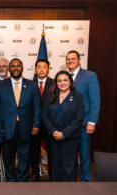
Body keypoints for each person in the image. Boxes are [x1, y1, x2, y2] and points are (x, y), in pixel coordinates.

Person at [0, 58, 41, 182]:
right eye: (13, 66)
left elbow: (37, 106)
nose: (15, 68)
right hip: (7, 127)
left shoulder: (32, 85)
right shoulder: (0, 86)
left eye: (18, 66)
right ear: (9, 69)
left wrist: (36, 124)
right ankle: (10, 178)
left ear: (22, 68)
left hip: (26, 126)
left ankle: (22, 179)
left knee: (24, 155)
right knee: (8, 155)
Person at [42, 70, 85, 181]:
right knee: (55, 166)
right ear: (56, 83)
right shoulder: (51, 96)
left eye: (65, 80)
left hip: (70, 138)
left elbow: (79, 118)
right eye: (59, 80)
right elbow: (45, 116)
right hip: (54, 137)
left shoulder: (77, 96)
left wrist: (64, 133)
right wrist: (53, 132)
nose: (62, 83)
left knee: (68, 167)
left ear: (70, 82)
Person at [65, 50, 100, 182]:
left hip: (84, 124)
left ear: (79, 60)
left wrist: (92, 122)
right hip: (68, 125)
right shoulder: (64, 77)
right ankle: (72, 184)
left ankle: (87, 185)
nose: (70, 61)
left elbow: (95, 101)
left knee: (84, 157)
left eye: (73, 59)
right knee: (70, 157)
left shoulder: (90, 76)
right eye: (68, 59)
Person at [29, 59, 54, 181]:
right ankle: (35, 173)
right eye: (39, 67)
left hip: (50, 124)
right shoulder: (29, 83)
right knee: (34, 151)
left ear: (48, 69)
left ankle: (53, 174)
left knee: (51, 150)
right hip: (34, 124)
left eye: (44, 67)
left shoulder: (55, 83)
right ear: (35, 69)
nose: (42, 69)